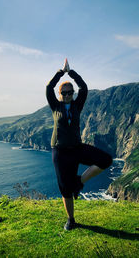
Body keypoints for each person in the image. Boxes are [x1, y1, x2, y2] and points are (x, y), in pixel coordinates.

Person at [46, 59, 113, 231]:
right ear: (60, 94)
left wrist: (71, 72)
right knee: (64, 189)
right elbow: (48, 87)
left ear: (73, 93)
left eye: (70, 93)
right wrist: (61, 72)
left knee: (105, 160)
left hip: (77, 148)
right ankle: (71, 220)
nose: (68, 95)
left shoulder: (77, 105)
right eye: (64, 93)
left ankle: (79, 182)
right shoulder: (55, 106)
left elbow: (84, 87)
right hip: (60, 151)